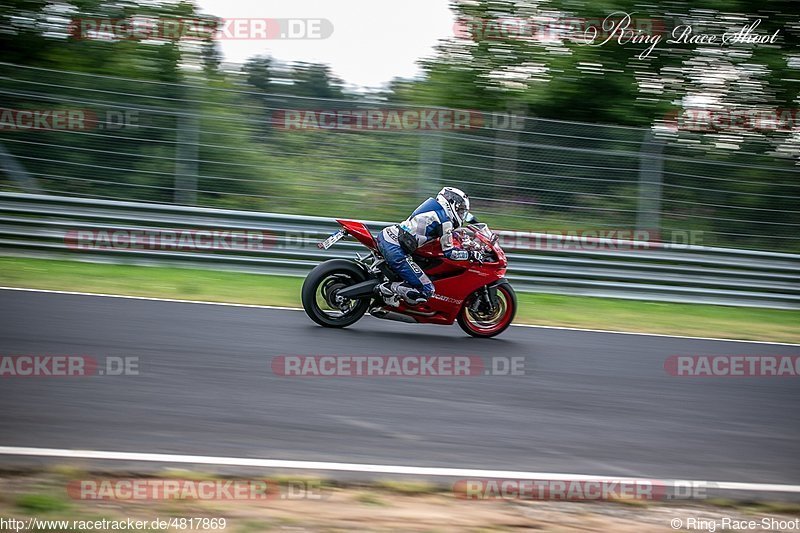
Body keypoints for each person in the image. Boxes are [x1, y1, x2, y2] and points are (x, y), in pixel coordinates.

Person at [376, 186, 481, 307]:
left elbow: (467, 219)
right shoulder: (445, 221)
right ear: (452, 204)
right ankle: (387, 288)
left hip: (388, 236)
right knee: (426, 290)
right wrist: (471, 254)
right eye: (460, 210)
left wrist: (472, 227)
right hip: (395, 248)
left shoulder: (433, 207)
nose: (461, 214)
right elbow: (450, 253)